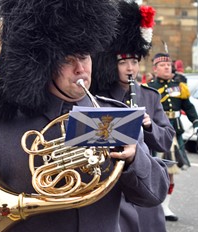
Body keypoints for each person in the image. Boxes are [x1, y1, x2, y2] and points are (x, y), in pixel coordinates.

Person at [0, 0, 169, 231]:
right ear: (45, 63)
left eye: (84, 57)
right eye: (68, 60)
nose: (80, 69)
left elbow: (154, 195)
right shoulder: (5, 123)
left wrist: (134, 159)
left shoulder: (116, 116)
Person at [90, 1, 174, 231]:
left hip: (145, 186)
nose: (130, 68)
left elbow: (166, 139)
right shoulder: (98, 97)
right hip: (113, 191)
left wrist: (149, 127)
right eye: (123, 62)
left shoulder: (149, 96)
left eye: (135, 62)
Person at [148, 52, 198, 221]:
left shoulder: (179, 86)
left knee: (170, 172)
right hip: (155, 134)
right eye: (163, 65)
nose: (167, 67)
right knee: (153, 170)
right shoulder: (150, 88)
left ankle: (165, 207)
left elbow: (188, 106)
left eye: (169, 65)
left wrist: (196, 121)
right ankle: (151, 205)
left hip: (174, 134)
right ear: (155, 69)